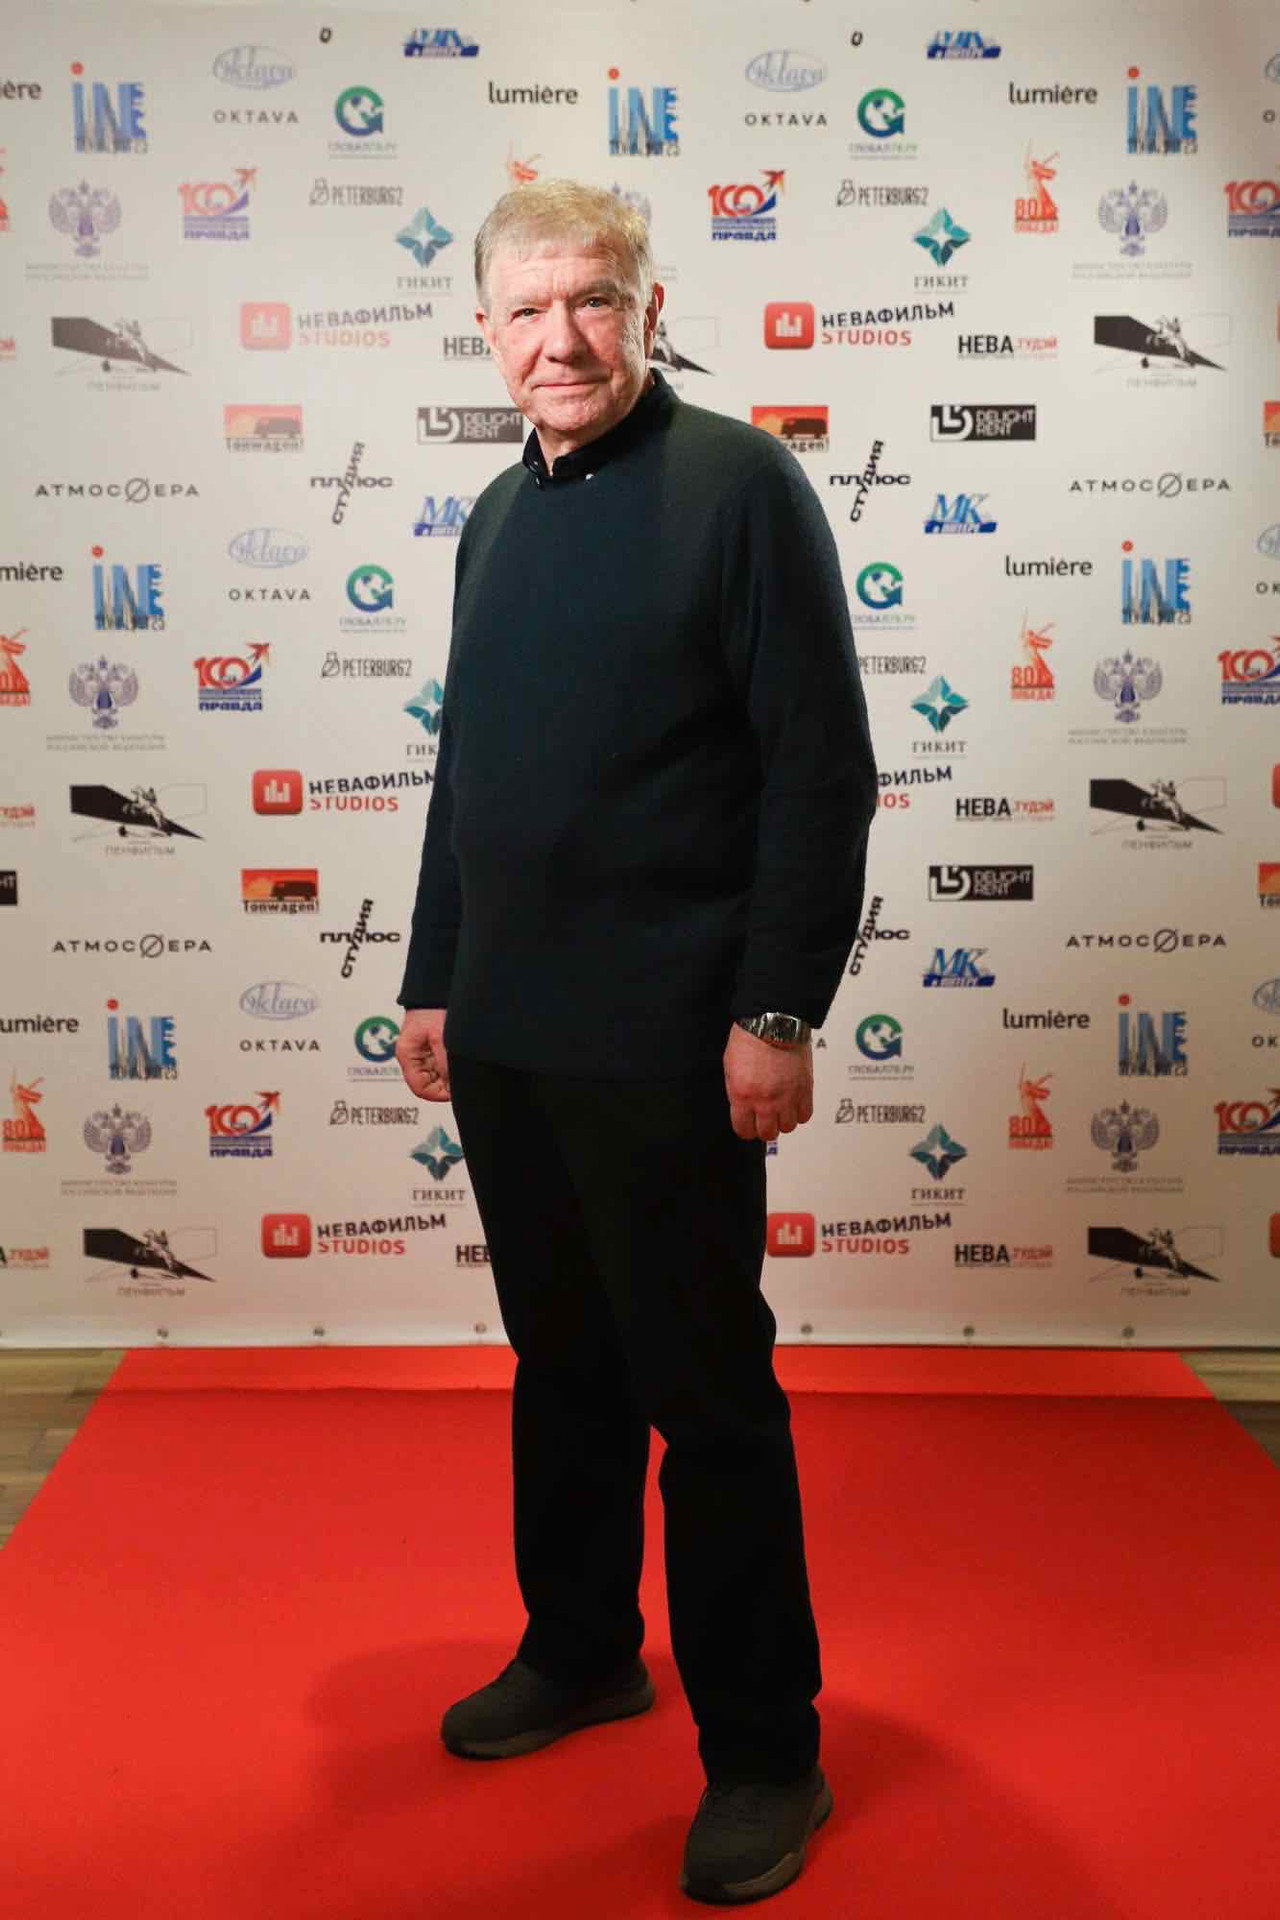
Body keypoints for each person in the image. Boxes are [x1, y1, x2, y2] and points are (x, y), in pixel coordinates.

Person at [395, 179, 876, 1906]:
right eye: (527, 310)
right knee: (563, 1366)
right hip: (512, 1031)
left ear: (649, 307)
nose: (562, 340)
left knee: (706, 1395)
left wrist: (776, 1007)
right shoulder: (491, 516)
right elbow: (470, 775)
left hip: (671, 1035)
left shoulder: (739, 488)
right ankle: (584, 1647)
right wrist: (433, 973)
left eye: (591, 301)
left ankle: (767, 1753)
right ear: (483, 330)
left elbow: (820, 769)